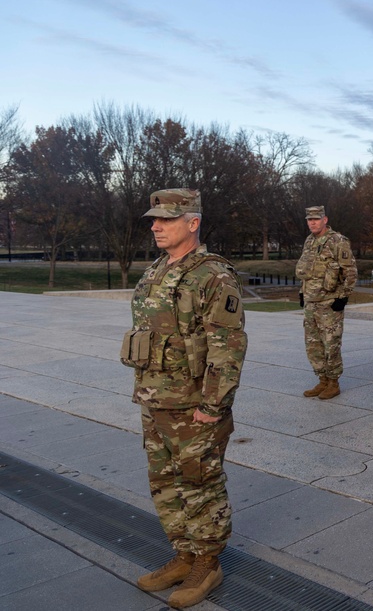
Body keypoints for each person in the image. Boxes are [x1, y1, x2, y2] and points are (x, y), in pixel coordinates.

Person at [123, 189, 247, 608]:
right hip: (155, 399)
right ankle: (184, 553)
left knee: (200, 482)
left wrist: (213, 407)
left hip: (193, 405)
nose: (156, 226)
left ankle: (207, 564)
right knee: (164, 483)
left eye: (166, 220)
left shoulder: (214, 276)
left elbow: (227, 348)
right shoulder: (157, 269)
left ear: (192, 223)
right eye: (154, 220)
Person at [296, 206, 357, 399]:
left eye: (316, 219)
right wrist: (301, 292)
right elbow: (306, 271)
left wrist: (343, 297)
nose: (312, 222)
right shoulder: (309, 241)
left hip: (329, 303)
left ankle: (333, 382)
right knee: (313, 345)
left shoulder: (338, 241)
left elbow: (351, 271)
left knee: (331, 345)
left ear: (325, 220)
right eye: (309, 219)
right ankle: (322, 380)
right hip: (311, 303)